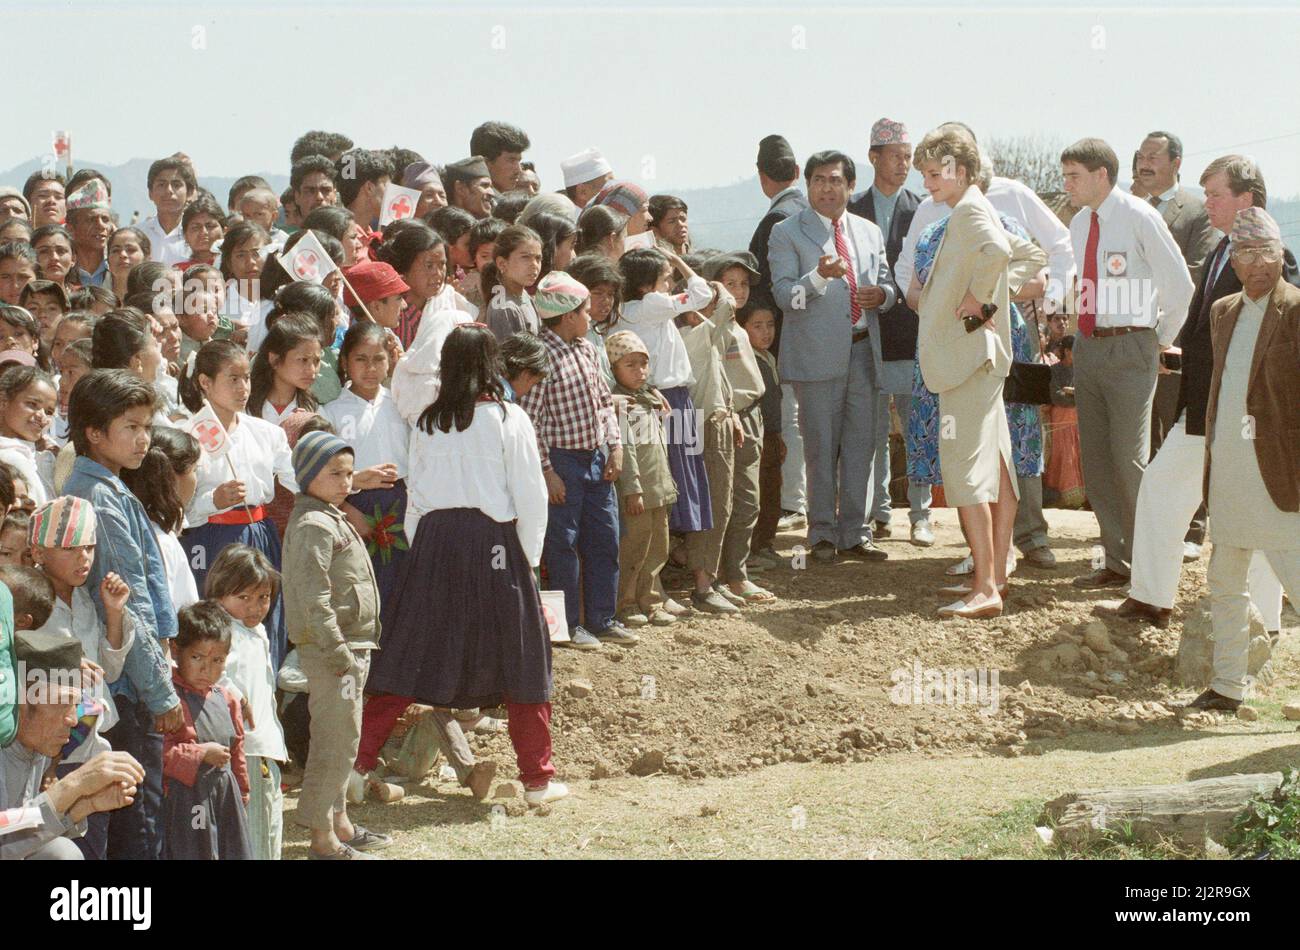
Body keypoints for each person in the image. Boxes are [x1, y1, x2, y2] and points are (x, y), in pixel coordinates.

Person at [370, 325, 565, 807]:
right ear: (491, 364)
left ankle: (355, 768)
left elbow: (415, 501)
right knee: (523, 655)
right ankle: (537, 780)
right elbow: (530, 496)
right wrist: (528, 562)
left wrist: (428, 553)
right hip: (493, 541)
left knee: (406, 653)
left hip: (435, 542)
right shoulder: (507, 418)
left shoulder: (426, 422)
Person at [1116, 157, 1295, 631]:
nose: (1208, 202)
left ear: (1248, 199)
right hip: (1201, 409)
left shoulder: (1272, 255)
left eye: (1216, 194)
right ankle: (1151, 599)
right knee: (1162, 488)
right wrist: (1183, 352)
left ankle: (1263, 628)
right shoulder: (1220, 249)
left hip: (1245, 416)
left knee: (1254, 515)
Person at [912, 125, 1047, 618]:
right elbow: (1029, 254)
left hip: (965, 363)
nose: (927, 183)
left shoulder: (970, 211)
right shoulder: (976, 207)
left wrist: (981, 305)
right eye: (924, 174)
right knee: (998, 469)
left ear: (960, 171)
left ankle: (986, 587)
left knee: (965, 472)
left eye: (933, 173)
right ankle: (994, 578)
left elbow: (999, 254)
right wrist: (988, 303)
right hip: (980, 362)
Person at [1061, 138, 1195, 589]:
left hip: (1132, 346)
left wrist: (1155, 342)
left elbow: (1180, 288)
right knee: (1097, 461)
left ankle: (1151, 566)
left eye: (1074, 176)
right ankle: (1118, 562)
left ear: (1102, 175)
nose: (1066, 185)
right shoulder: (1079, 224)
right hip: (1089, 347)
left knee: (1129, 458)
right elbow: (1083, 284)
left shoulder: (1140, 216)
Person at [63, 369, 183, 860]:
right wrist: (161, 690)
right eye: (130, 426)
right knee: (137, 825)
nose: (143, 438)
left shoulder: (110, 487)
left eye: (146, 426)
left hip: (129, 680)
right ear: (95, 432)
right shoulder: (99, 499)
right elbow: (129, 605)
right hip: (125, 688)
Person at [1190, 207, 1300, 713]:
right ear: (1232, 261)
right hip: (1230, 463)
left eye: (1266, 252)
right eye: (1246, 253)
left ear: (1282, 254)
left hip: (1279, 469)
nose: (1257, 263)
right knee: (1225, 582)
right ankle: (1229, 685)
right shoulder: (1223, 311)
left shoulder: (1296, 310)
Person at [767, 149, 893, 563]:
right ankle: (821, 532)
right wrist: (818, 276)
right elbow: (785, 297)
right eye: (818, 180)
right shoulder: (787, 232)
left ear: (851, 186)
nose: (827, 187)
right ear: (807, 186)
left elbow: (888, 282)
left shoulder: (869, 232)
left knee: (863, 444)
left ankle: (855, 532)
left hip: (864, 353)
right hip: (815, 357)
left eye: (835, 180)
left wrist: (884, 296)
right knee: (820, 446)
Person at [283, 429, 390, 858]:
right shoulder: (313, 524)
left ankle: (339, 820)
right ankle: (321, 837)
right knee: (334, 741)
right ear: (308, 475)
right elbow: (314, 598)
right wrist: (339, 653)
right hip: (335, 651)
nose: (346, 482)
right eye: (335, 473)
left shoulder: (331, 515)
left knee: (344, 737)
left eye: (349, 473)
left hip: (349, 647)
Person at [518, 273, 631, 648]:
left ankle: (603, 618)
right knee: (563, 544)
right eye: (584, 309)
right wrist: (546, 472)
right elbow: (530, 421)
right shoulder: (541, 356)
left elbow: (603, 402)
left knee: (606, 538)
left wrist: (614, 445)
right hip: (562, 462)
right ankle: (566, 625)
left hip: (596, 458)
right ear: (567, 315)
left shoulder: (585, 348)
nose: (590, 315)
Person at [27, 499, 134, 862]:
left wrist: (114, 613)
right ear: (38, 551)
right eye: (70, 548)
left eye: (89, 547)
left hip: (91, 743)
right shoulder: (28, 606)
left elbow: (109, 672)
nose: (83, 557)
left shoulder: (88, 601)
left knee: (91, 849)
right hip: (52, 753)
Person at [179, 340, 297, 669]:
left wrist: (350, 478)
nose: (243, 387)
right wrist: (212, 500)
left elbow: (297, 477)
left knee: (263, 619)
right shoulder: (188, 434)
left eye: (246, 378)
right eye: (233, 378)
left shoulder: (266, 433)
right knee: (217, 622)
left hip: (258, 535)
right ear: (205, 382)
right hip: (211, 539)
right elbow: (176, 505)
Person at [848, 119, 928, 544]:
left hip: (909, 331)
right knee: (870, 428)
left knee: (916, 424)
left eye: (908, 157)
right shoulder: (851, 209)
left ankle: (920, 512)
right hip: (862, 334)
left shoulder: (923, 208)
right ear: (874, 157)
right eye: (896, 156)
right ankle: (878, 513)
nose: (904, 165)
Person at [1, 630, 144, 861]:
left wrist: (85, 804)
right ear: (20, 703)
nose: (73, 719)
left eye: (75, 704)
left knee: (60, 852)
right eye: (60, 703)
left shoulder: (38, 746)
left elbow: (22, 831)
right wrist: (75, 784)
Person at [618, 248, 715, 541]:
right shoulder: (651, 304)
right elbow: (702, 294)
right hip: (668, 397)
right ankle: (676, 541)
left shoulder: (631, 308)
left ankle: (672, 545)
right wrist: (679, 262)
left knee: (672, 469)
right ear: (645, 286)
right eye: (665, 278)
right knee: (680, 468)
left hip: (665, 395)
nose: (670, 285)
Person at [206, 545, 287, 860]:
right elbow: (215, 678)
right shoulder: (225, 633)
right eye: (244, 598)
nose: (255, 607)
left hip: (264, 748)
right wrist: (233, 694)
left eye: (263, 598)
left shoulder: (255, 631)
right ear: (219, 595)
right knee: (258, 836)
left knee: (267, 827)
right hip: (249, 751)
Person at [322, 322, 411, 607]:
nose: (370, 368)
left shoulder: (403, 405)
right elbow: (324, 473)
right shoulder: (332, 412)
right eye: (361, 359)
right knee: (359, 588)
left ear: (390, 361)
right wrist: (346, 509)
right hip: (354, 507)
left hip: (403, 506)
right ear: (345, 362)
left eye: (378, 360)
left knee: (402, 589)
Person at [163, 601, 252, 860]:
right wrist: (199, 753)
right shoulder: (168, 701)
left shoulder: (227, 698)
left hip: (224, 797)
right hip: (187, 800)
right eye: (197, 658)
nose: (207, 669)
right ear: (176, 650)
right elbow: (159, 753)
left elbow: (237, 749)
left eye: (217, 660)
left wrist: (243, 791)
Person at [605, 330, 677, 628]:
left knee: (658, 548)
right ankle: (626, 602)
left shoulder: (649, 398)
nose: (639, 371)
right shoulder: (623, 404)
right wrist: (632, 490)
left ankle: (651, 599)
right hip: (638, 492)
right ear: (614, 369)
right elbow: (628, 451)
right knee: (634, 548)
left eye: (643, 364)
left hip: (659, 487)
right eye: (630, 365)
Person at [739, 296, 785, 566]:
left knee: (772, 492)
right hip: (757, 436)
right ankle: (755, 549)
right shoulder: (746, 357)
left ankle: (765, 544)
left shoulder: (767, 356)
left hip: (772, 435)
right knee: (758, 493)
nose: (766, 332)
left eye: (770, 325)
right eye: (757, 325)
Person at [0, 365, 57, 506]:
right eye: (32, 404)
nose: (41, 416)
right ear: (3, 402)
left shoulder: (36, 457)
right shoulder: (11, 458)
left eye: (49, 412)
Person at [481, 224, 543, 341]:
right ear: (502, 264)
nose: (534, 265)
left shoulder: (524, 296)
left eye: (538, 258)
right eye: (525, 257)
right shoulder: (503, 308)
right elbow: (511, 357)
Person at [335, 149, 394, 255]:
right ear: (369, 188)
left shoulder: (377, 238)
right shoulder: (337, 241)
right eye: (387, 186)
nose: (392, 194)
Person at [140, 157, 196, 267]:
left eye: (176, 185)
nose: (169, 191)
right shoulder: (138, 234)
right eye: (161, 184)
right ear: (150, 193)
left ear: (189, 193)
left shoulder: (198, 236)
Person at [65, 179, 114, 288]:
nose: (101, 225)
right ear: (70, 229)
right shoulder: (62, 272)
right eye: (91, 219)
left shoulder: (118, 271)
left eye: (105, 219)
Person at [471, 121, 531, 193]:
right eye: (511, 160)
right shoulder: (469, 202)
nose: (519, 170)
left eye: (519, 161)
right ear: (485, 164)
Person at [174, 196, 225, 271]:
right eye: (195, 228)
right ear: (185, 236)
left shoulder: (235, 267)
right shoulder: (179, 272)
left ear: (225, 231)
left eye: (210, 226)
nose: (203, 232)